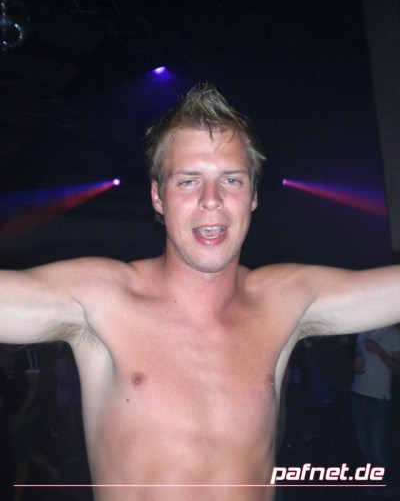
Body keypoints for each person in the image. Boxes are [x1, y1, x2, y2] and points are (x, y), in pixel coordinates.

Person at [1, 83, 400, 501]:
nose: (212, 200)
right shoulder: (102, 298)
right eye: (189, 181)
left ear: (253, 196)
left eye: (232, 179)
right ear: (158, 196)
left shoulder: (283, 299)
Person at [5, 344, 61, 500]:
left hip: (25, 412)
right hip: (16, 410)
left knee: (20, 459)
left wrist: (20, 416)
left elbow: (34, 386)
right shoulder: (15, 352)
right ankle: (56, 473)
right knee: (22, 450)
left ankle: (17, 497)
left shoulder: (27, 351)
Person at [351, 325, 400, 497]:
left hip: (379, 398)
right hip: (357, 394)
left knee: (377, 447)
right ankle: (372, 483)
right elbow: (358, 357)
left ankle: (387, 486)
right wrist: (355, 365)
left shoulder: (393, 333)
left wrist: (379, 350)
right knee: (364, 445)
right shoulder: (362, 330)